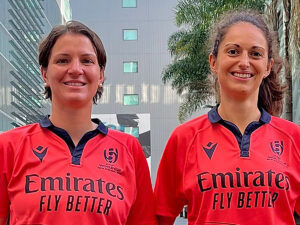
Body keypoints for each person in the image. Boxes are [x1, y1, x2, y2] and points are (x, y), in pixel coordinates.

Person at [0, 21, 157, 225]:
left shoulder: (130, 150)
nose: (75, 69)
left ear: (100, 75)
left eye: (87, 61)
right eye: (63, 60)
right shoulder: (9, 146)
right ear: (44, 73)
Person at [154, 10, 300, 225]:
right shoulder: (184, 139)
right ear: (213, 62)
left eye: (256, 54)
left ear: (268, 66)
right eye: (233, 51)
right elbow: (158, 217)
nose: (244, 62)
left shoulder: (293, 138)